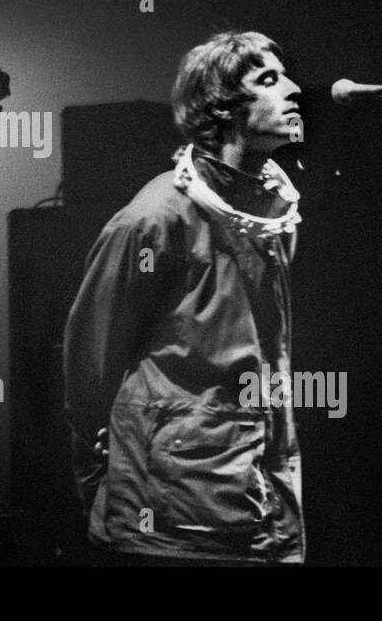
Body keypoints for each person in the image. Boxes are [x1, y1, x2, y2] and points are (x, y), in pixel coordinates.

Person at [63, 30, 307, 564]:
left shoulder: (270, 218)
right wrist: (101, 484)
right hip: (173, 517)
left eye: (286, 76)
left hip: (258, 502)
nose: (292, 91)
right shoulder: (153, 220)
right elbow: (91, 362)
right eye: (268, 80)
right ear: (221, 107)